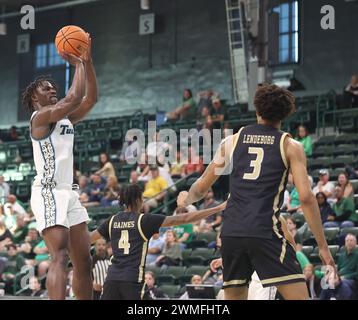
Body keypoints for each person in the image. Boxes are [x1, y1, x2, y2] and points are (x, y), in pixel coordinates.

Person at [177, 83, 335, 300]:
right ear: (285, 114)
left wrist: (186, 198)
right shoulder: (291, 146)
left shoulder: (232, 141)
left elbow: (202, 187)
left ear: (257, 110)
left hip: (231, 232)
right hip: (264, 232)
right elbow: (307, 198)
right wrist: (323, 247)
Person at [23, 35, 97, 299]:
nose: (52, 90)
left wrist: (87, 64)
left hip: (69, 192)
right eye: (45, 88)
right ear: (34, 98)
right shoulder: (40, 118)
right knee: (60, 256)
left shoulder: (63, 118)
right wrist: (77, 62)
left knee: (84, 262)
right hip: (48, 192)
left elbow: (89, 100)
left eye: (53, 87)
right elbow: (74, 97)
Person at [89, 184, 226, 300]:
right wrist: (218, 208)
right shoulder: (144, 220)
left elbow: (88, 239)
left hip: (111, 279)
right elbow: (183, 219)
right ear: (138, 200)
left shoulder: (112, 220)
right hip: (132, 279)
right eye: (142, 197)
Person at [320, 233, 358, 300]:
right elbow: (338, 270)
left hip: (352, 280)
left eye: (351, 240)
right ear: (345, 243)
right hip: (340, 278)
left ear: (356, 242)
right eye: (347, 241)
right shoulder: (342, 256)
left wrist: (345, 277)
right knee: (326, 282)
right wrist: (335, 276)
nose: (349, 242)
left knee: (343, 283)